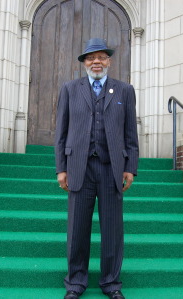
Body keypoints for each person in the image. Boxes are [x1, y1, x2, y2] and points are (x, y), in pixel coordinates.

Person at [55, 38, 139, 299]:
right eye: (91, 58)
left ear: (109, 61)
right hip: (79, 167)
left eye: (101, 57)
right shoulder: (70, 89)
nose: (96, 62)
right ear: (84, 63)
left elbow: (130, 134)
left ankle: (111, 284)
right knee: (77, 230)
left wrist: (130, 168)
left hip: (111, 168)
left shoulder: (124, 90)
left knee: (113, 230)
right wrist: (61, 168)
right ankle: (75, 283)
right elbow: (61, 132)